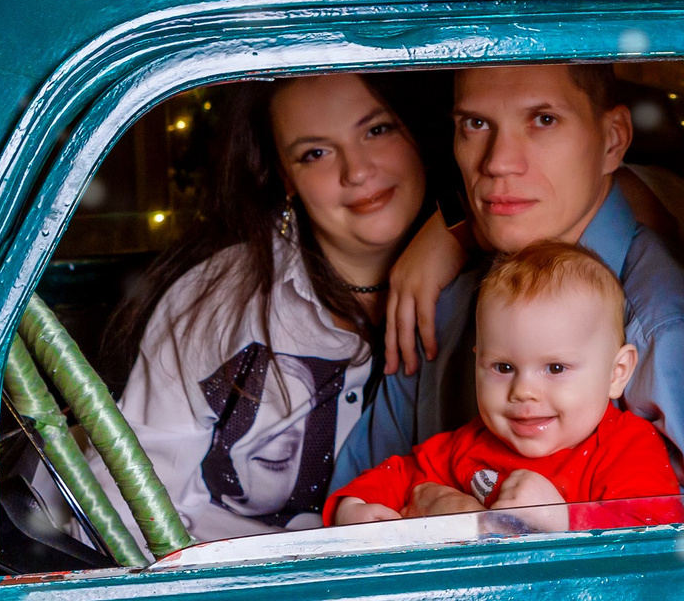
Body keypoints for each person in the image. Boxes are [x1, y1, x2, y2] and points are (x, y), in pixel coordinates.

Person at [348, 63, 684, 495]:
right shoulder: (436, 298)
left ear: (613, 139)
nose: (497, 163)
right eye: (475, 124)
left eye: (544, 120)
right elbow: (353, 500)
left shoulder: (669, 329)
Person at [97, 71, 433, 542]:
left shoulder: (484, 277)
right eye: (315, 153)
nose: (356, 171)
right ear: (286, 178)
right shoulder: (219, 300)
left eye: (377, 130)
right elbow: (131, 505)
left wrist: (451, 232)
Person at [327, 242, 680, 528]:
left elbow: (658, 537)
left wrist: (564, 520)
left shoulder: (627, 448)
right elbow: (399, 474)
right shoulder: (469, 444)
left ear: (617, 372)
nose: (523, 391)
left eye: (555, 368)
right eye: (504, 367)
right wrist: (352, 507)